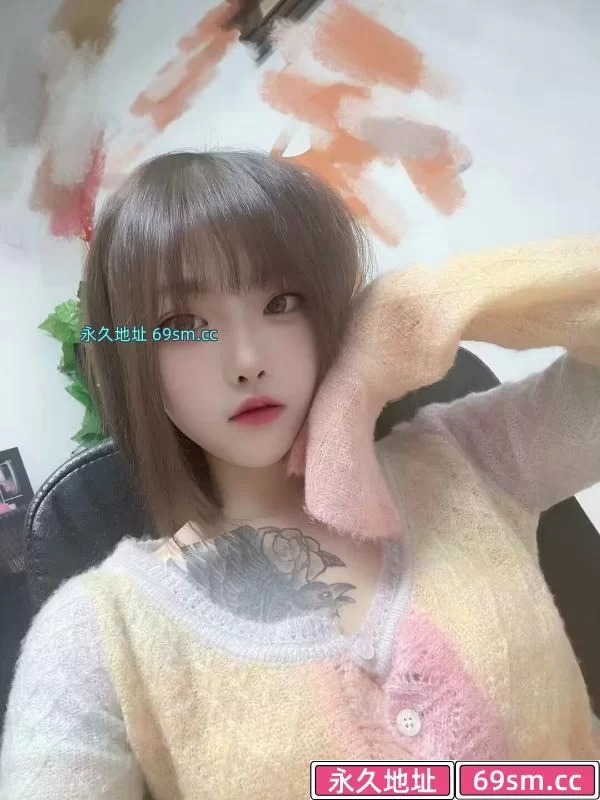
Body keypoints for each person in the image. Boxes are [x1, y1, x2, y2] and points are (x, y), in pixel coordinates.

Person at [1, 150, 599, 799]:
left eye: (282, 301)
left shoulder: (471, 458)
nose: (247, 361)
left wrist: (426, 306)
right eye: (183, 325)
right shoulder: (102, 634)